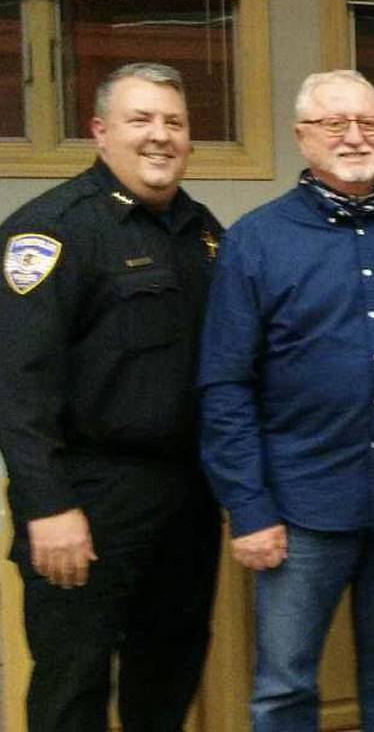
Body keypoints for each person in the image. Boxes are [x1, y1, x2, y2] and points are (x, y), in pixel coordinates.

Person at [197, 70, 374, 731]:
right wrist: (247, 508)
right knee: (284, 681)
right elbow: (223, 384)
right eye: (336, 124)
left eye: (369, 124)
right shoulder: (256, 239)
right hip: (299, 505)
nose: (355, 137)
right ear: (303, 136)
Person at [0, 62, 223, 732]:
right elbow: (18, 385)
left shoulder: (203, 232)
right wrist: (48, 507)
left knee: (170, 669)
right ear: (100, 132)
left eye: (174, 122)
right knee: (73, 683)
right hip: (88, 496)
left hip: (186, 494)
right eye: (141, 120)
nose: (161, 136)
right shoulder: (54, 231)